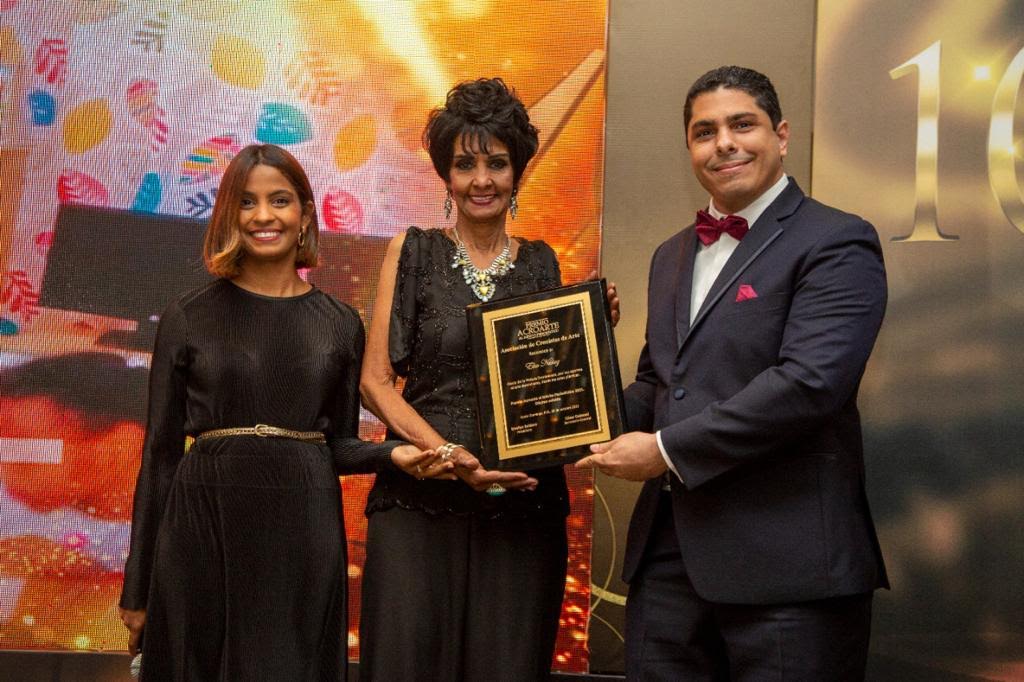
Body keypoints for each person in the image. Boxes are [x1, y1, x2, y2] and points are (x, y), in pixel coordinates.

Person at [577, 66, 889, 681]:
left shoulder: (836, 240)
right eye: (704, 132)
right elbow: (658, 385)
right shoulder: (670, 255)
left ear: (781, 135)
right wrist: (562, 417)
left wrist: (663, 451)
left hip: (789, 571)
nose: (723, 143)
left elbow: (808, 385)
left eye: (742, 124)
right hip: (667, 564)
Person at [118, 143, 434, 681]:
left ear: (305, 212)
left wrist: (392, 454)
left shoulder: (340, 323)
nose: (263, 215)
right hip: (203, 529)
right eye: (247, 202)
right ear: (229, 214)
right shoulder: (187, 316)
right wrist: (138, 584)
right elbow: (160, 456)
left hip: (303, 532)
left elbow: (337, 447)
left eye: (279, 200)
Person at [358, 77, 617, 681]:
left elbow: (551, 387)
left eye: (496, 163)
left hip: (521, 506)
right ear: (445, 175)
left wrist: (591, 331)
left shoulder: (543, 263)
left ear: (517, 171)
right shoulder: (413, 251)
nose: (482, 180)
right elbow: (374, 383)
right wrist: (449, 456)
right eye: (465, 164)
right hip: (421, 501)